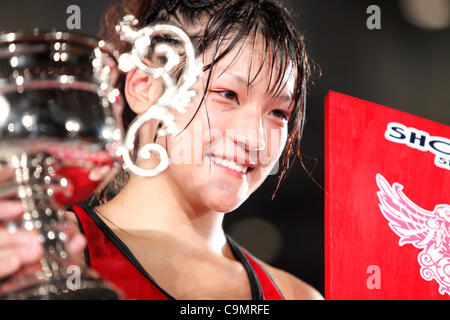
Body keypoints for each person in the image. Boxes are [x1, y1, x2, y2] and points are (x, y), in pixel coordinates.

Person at [0, 0, 323, 300]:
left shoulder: (295, 295)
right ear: (144, 86)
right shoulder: (43, 252)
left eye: (279, 113)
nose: (256, 140)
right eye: (227, 94)